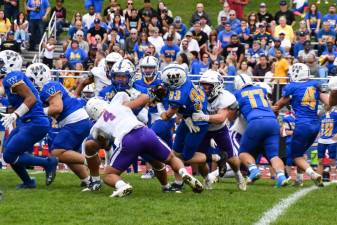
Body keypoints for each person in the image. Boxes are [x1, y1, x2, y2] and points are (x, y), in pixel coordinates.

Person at [84, 95, 204, 197]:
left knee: (109, 174)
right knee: (171, 159)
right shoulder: (117, 103)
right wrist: (129, 104)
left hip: (128, 140)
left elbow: (103, 143)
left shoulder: (96, 126)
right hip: (145, 132)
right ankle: (181, 174)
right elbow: (136, 97)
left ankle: (122, 186)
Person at [26, 63, 91, 187]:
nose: (30, 83)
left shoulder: (49, 86)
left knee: (57, 152)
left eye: (31, 79)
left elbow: (57, 107)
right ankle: (88, 180)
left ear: (40, 77)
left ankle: (91, 162)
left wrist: (37, 113)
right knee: (67, 154)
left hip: (74, 120)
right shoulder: (46, 88)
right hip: (76, 120)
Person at [0, 50, 58, 189]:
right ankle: (28, 182)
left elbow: (30, 99)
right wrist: (12, 113)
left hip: (34, 122)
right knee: (9, 152)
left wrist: (15, 115)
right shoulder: (12, 78)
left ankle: (48, 162)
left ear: (10, 64)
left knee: (9, 156)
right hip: (28, 122)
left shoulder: (12, 77)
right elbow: (18, 104)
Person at [156, 64, 217, 192]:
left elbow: (167, 116)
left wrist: (159, 104)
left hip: (197, 123)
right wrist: (185, 115)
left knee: (186, 157)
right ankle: (178, 183)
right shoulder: (186, 82)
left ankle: (218, 157)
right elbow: (184, 105)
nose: (166, 83)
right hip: (189, 118)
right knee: (176, 152)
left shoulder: (179, 93)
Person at [273, 63, 330, 187]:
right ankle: (299, 179)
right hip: (315, 125)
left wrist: (272, 110)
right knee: (301, 152)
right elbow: (328, 102)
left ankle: (313, 174)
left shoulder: (291, 87)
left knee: (295, 156)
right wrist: (321, 112)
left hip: (302, 125)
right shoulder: (315, 85)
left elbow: (278, 105)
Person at [192, 70, 246, 190]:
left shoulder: (225, 97)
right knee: (201, 159)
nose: (205, 89)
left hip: (219, 129)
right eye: (203, 85)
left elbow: (221, 118)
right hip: (203, 129)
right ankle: (207, 179)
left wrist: (204, 117)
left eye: (208, 86)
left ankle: (238, 175)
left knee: (231, 157)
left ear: (217, 86)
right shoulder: (196, 95)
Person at [232, 73, 288, 187]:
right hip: (272, 122)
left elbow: (233, 114)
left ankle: (253, 170)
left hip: (256, 121)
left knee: (243, 152)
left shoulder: (237, 94)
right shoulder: (261, 89)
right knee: (273, 155)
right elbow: (267, 105)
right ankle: (281, 176)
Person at [316, 106, 337, 180]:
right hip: (322, 140)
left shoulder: (335, 114)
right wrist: (318, 134)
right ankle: (318, 178)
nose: (325, 106)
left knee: (332, 159)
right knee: (320, 160)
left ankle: (334, 178)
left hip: (332, 140)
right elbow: (319, 126)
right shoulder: (321, 115)